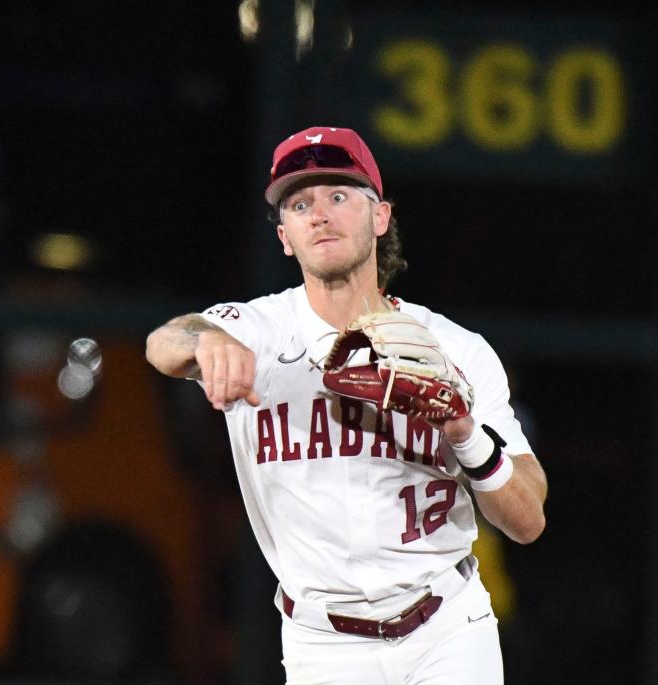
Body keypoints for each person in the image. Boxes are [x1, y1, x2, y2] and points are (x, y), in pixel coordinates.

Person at [146, 125, 547, 684]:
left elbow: (528, 520)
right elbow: (164, 343)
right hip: (324, 645)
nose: (319, 214)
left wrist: (463, 431)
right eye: (300, 203)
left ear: (380, 217)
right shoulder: (256, 332)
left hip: (447, 629)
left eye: (339, 196)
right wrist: (205, 340)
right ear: (284, 235)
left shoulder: (452, 349)